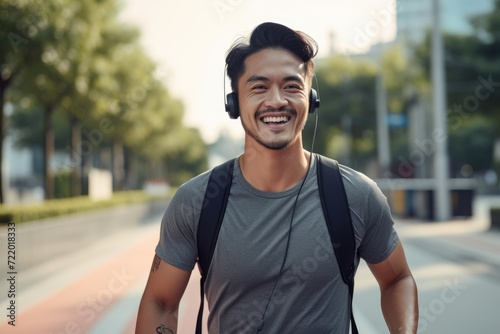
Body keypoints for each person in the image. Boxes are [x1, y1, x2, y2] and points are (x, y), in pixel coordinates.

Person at [136, 22, 418, 333]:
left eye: (291, 86)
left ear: (310, 99)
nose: (276, 101)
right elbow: (160, 303)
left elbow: (397, 279)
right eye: (259, 87)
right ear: (233, 103)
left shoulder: (355, 194)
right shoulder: (197, 201)